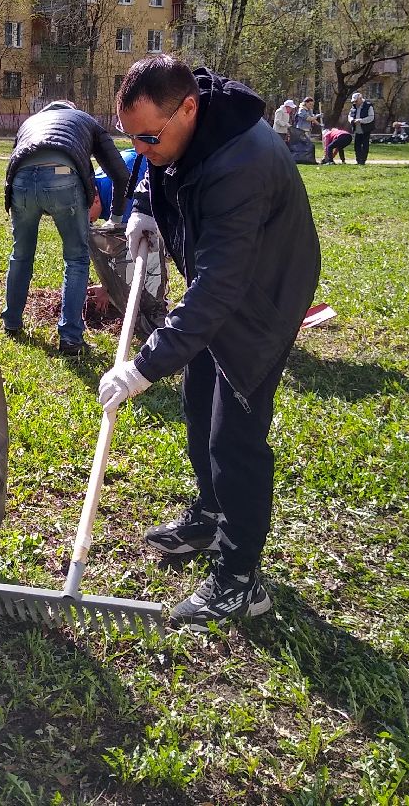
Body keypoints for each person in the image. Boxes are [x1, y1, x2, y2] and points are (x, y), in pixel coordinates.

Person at [97, 55, 320, 627]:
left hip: (260, 301)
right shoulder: (182, 131)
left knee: (233, 437)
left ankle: (241, 577)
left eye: (149, 138)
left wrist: (143, 367)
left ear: (189, 109)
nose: (140, 150)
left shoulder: (242, 162)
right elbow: (163, 170)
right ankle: (208, 511)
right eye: (131, 138)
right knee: (199, 406)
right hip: (220, 285)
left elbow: (220, 292)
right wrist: (144, 206)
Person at [1, 100, 132, 357]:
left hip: (20, 181)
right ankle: (71, 339)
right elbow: (120, 174)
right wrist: (116, 218)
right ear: (71, 111)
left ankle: (11, 323)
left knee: (21, 254)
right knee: (76, 259)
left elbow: (19, 159)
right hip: (63, 174)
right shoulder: (88, 121)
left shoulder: (29, 122)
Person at [348, 91, 376, 165]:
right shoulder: (353, 106)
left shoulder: (368, 105)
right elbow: (350, 115)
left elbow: (371, 117)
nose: (355, 103)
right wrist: (351, 120)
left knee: (365, 145)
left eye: (356, 101)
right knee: (357, 145)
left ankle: (363, 160)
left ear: (360, 99)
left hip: (366, 128)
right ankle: (358, 159)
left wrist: (361, 120)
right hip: (357, 128)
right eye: (354, 101)